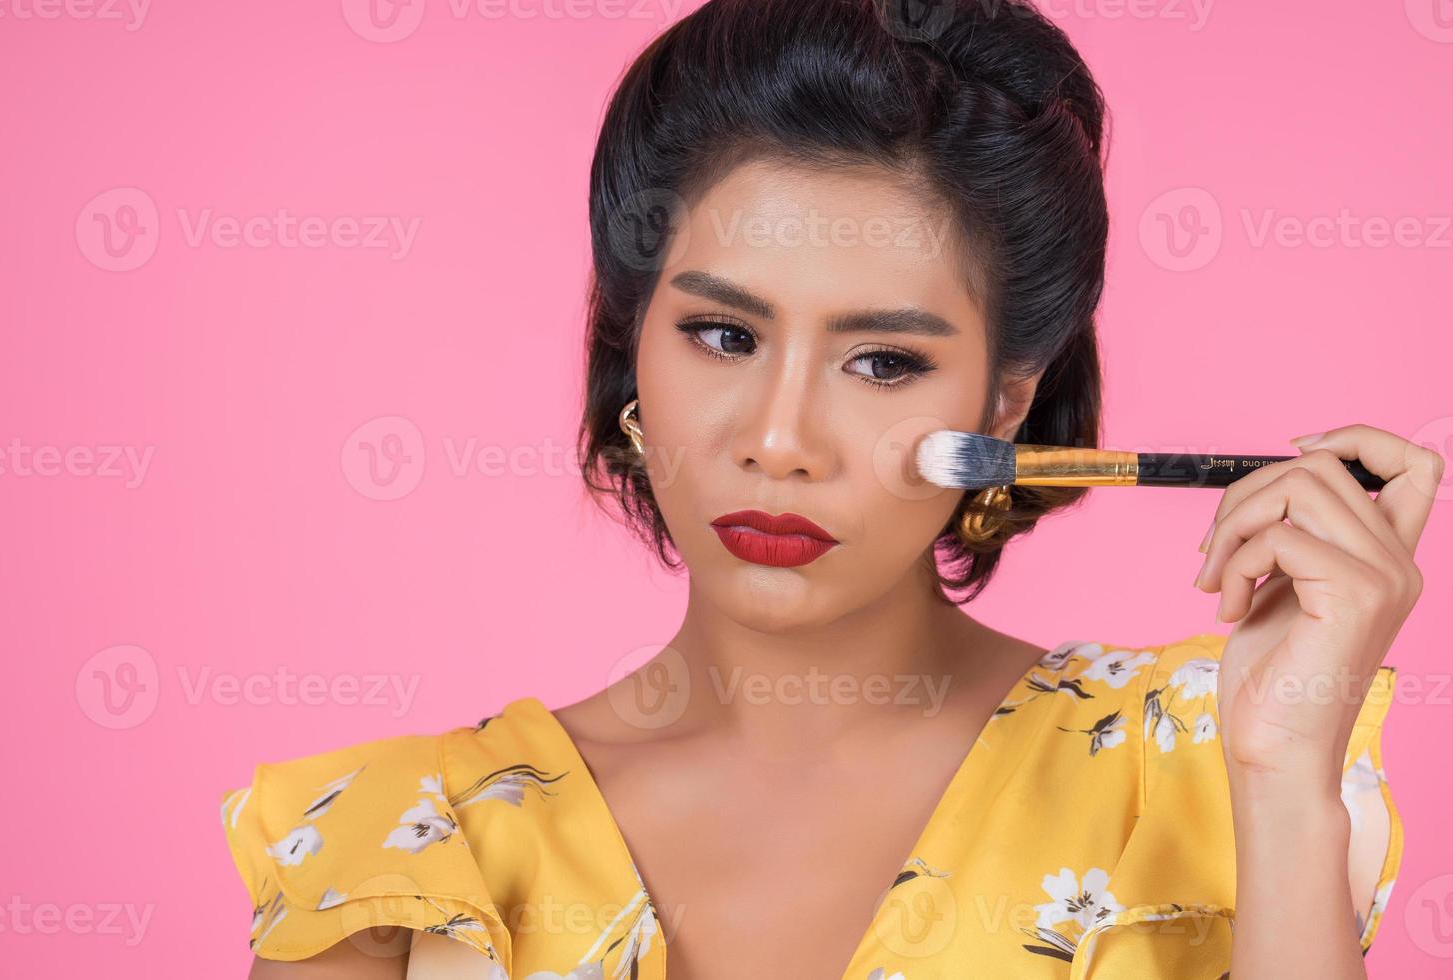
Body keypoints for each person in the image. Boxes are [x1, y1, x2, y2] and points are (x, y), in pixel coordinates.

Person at [219, 0, 1436, 976]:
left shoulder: (1199, 772)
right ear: (629, 341)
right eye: (723, 336)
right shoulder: (399, 841)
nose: (783, 439)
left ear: (1006, 402)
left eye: (883, 361)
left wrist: (1282, 783)